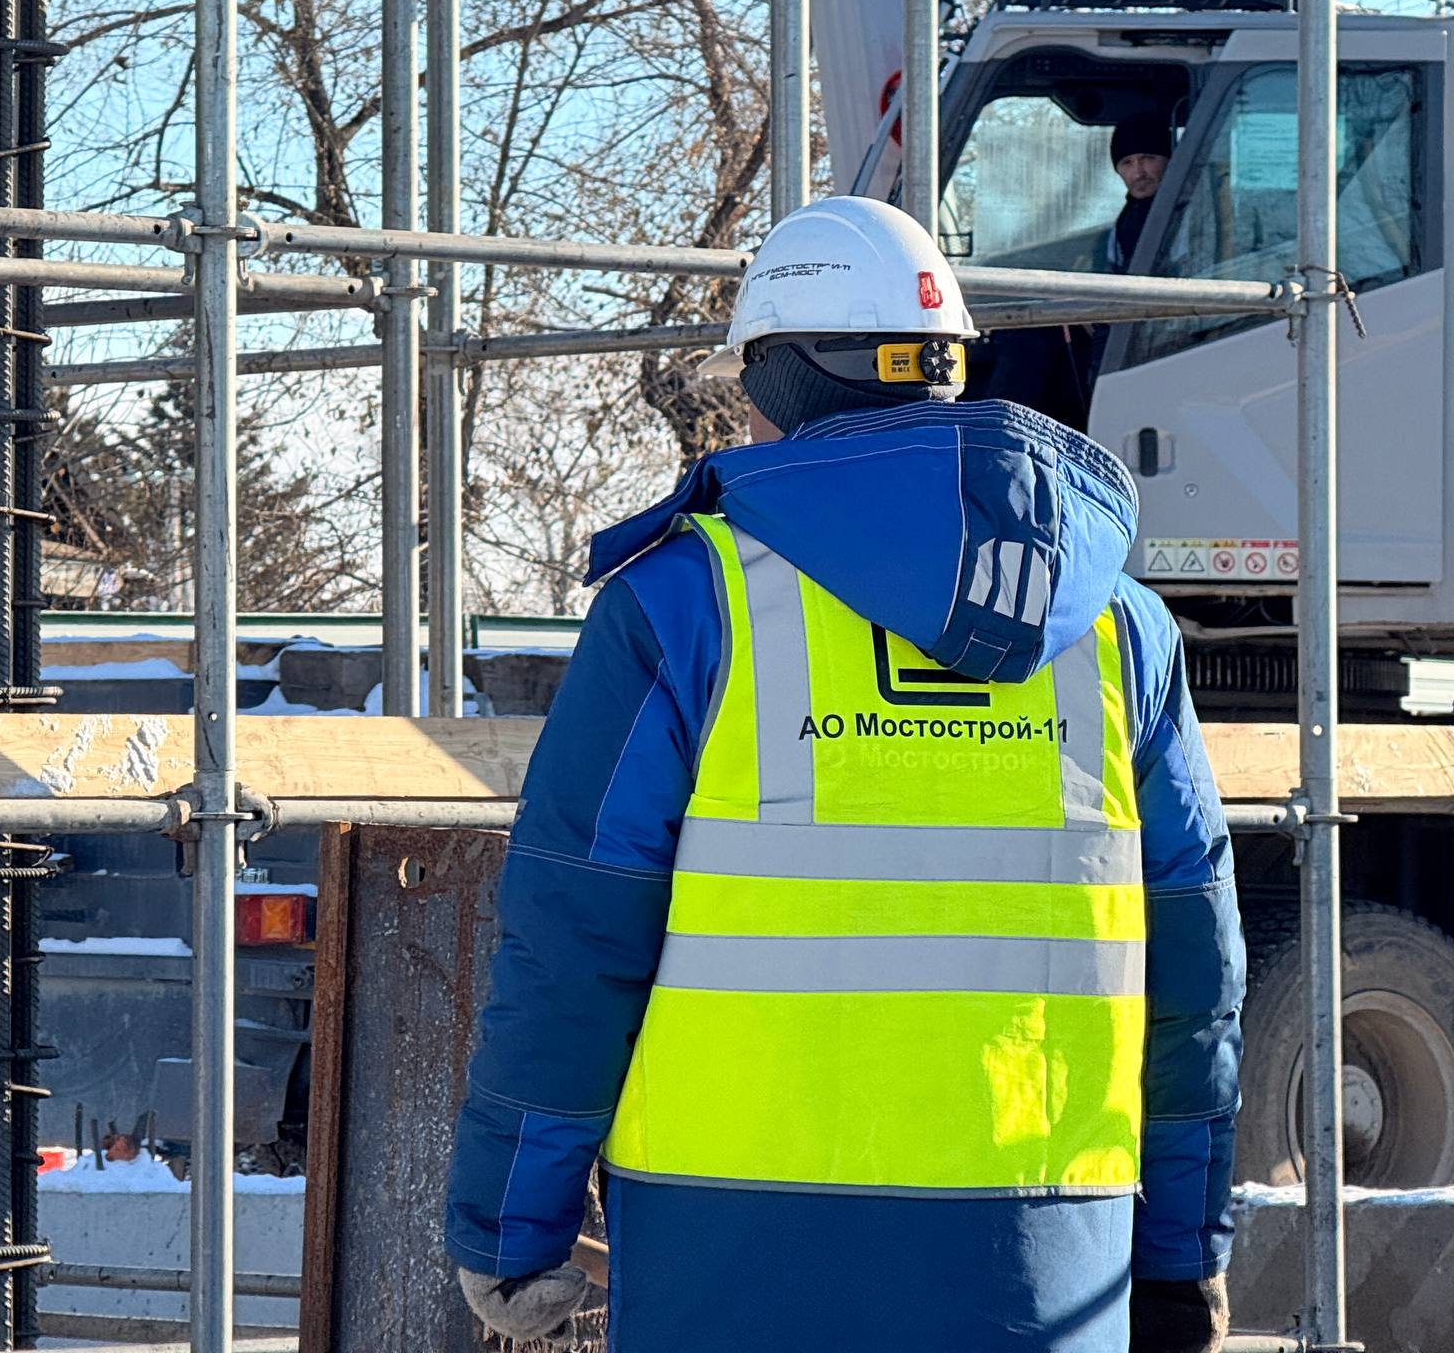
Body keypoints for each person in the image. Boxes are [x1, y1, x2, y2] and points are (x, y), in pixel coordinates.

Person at [443, 196, 1243, 1353]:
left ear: (774, 379)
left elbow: (574, 938)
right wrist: (1176, 1253)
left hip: (730, 1246)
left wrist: (511, 1227)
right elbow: (1194, 964)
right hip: (1045, 1242)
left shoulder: (684, 602)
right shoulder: (1118, 627)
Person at [1109, 114, 1177, 271]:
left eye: (1148, 158)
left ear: (1170, 161)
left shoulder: (1192, 215)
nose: (1138, 174)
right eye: (1127, 163)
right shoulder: (1123, 224)